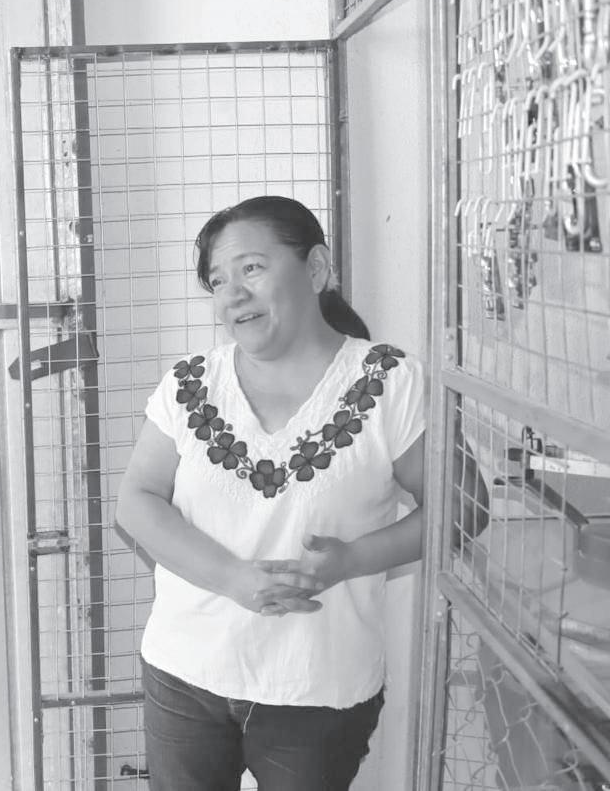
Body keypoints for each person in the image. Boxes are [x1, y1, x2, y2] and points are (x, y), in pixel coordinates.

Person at [116, 196, 486, 790]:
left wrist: (351, 560)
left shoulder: (390, 383)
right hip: (185, 672)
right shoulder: (190, 383)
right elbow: (136, 501)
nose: (233, 293)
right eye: (218, 281)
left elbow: (464, 507)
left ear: (315, 268)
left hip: (317, 684)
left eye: (251, 268)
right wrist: (232, 578)